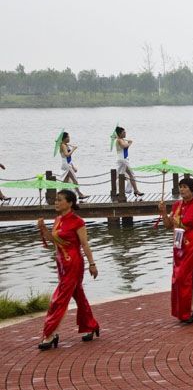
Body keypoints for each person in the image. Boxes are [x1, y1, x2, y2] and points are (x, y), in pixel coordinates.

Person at [35, 190, 100, 350]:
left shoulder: (78, 222)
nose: (56, 203)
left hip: (73, 263)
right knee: (78, 294)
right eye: (55, 200)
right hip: (61, 263)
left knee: (60, 298)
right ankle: (91, 325)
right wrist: (43, 229)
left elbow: (84, 244)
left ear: (70, 203)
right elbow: (55, 241)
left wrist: (92, 264)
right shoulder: (58, 219)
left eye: (59, 200)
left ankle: (50, 333)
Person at [158, 176, 193, 323]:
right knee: (178, 278)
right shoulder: (177, 205)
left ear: (192, 190)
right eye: (180, 187)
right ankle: (192, 308)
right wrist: (163, 212)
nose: (181, 189)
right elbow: (169, 225)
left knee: (184, 277)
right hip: (179, 245)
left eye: (185, 187)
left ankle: (191, 309)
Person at [113, 126, 143, 198]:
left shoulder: (122, 139)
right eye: (123, 132)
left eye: (125, 132)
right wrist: (130, 143)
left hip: (124, 159)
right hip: (122, 160)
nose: (125, 133)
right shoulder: (119, 140)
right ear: (120, 134)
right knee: (125, 175)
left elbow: (125, 148)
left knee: (126, 175)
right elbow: (124, 146)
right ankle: (126, 190)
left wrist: (128, 143)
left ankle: (133, 190)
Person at [56, 131, 86, 199]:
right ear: (64, 138)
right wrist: (73, 149)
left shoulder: (66, 145)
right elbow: (67, 155)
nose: (69, 138)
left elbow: (69, 158)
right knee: (74, 180)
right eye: (68, 137)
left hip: (68, 164)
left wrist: (73, 166)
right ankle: (80, 194)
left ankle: (58, 195)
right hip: (66, 165)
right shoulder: (62, 145)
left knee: (65, 182)